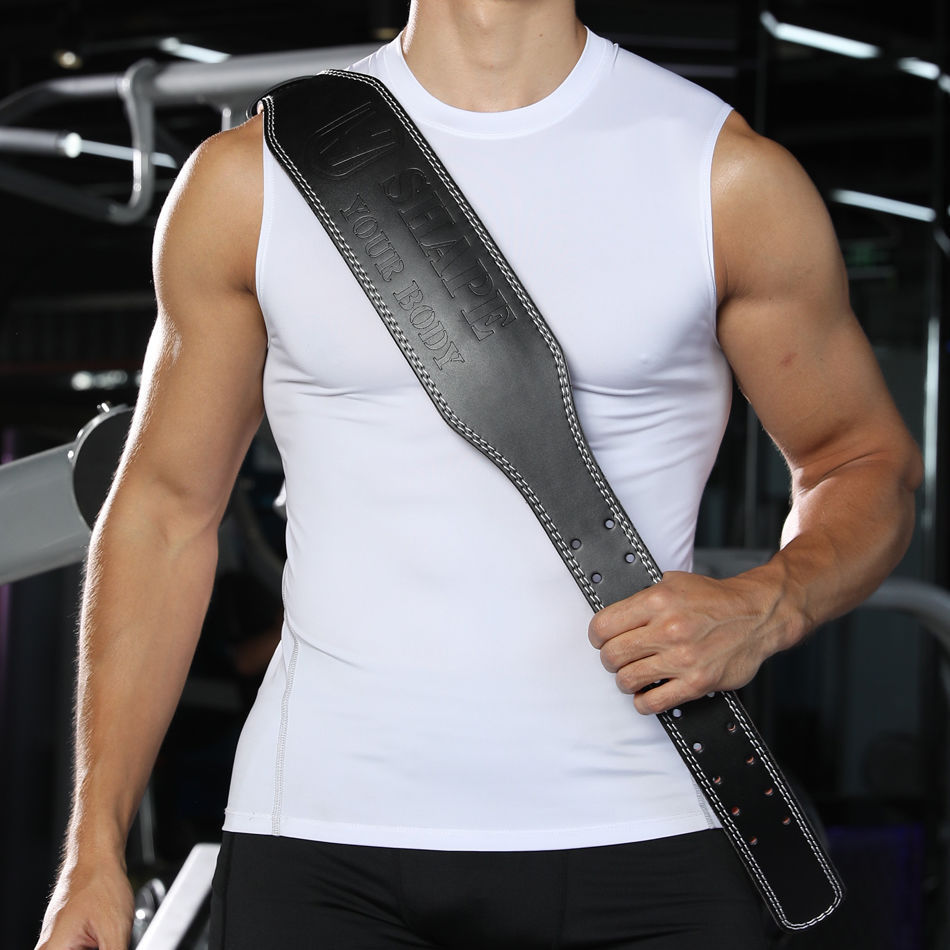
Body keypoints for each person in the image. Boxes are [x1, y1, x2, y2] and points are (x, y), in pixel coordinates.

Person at [35, 1, 922, 948]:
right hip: (322, 844)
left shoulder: (723, 176)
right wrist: (94, 845)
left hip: (648, 837)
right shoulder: (250, 180)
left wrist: (770, 602)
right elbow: (164, 512)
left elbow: (864, 462)